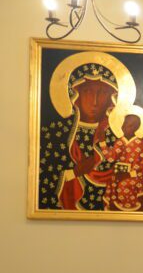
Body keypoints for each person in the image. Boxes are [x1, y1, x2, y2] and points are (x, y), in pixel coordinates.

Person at [38, 63, 121, 210]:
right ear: (75, 94)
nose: (95, 101)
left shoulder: (116, 136)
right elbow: (42, 177)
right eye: (88, 91)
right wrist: (74, 173)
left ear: (111, 98)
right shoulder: (55, 132)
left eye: (102, 93)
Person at [101, 107, 143, 212]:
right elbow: (111, 158)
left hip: (135, 177)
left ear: (135, 127)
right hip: (119, 174)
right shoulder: (120, 142)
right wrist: (102, 142)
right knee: (113, 181)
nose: (123, 128)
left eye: (127, 126)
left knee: (125, 184)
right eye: (123, 125)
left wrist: (129, 174)